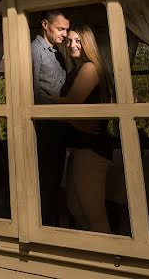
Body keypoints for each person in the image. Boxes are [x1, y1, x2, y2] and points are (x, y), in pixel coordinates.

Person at [59, 24, 116, 233]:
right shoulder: (79, 69)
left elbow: (71, 104)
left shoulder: (90, 68)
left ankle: (111, 260)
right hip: (79, 147)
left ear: (88, 44)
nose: (72, 45)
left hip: (91, 149)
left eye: (78, 41)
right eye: (69, 41)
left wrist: (39, 100)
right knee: (76, 208)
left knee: (94, 215)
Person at [31, 10, 69, 226]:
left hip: (58, 127)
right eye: (60, 29)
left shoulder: (56, 53)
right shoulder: (34, 51)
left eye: (66, 29)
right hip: (44, 129)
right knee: (45, 184)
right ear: (45, 24)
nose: (64, 34)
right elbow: (30, 94)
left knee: (55, 183)